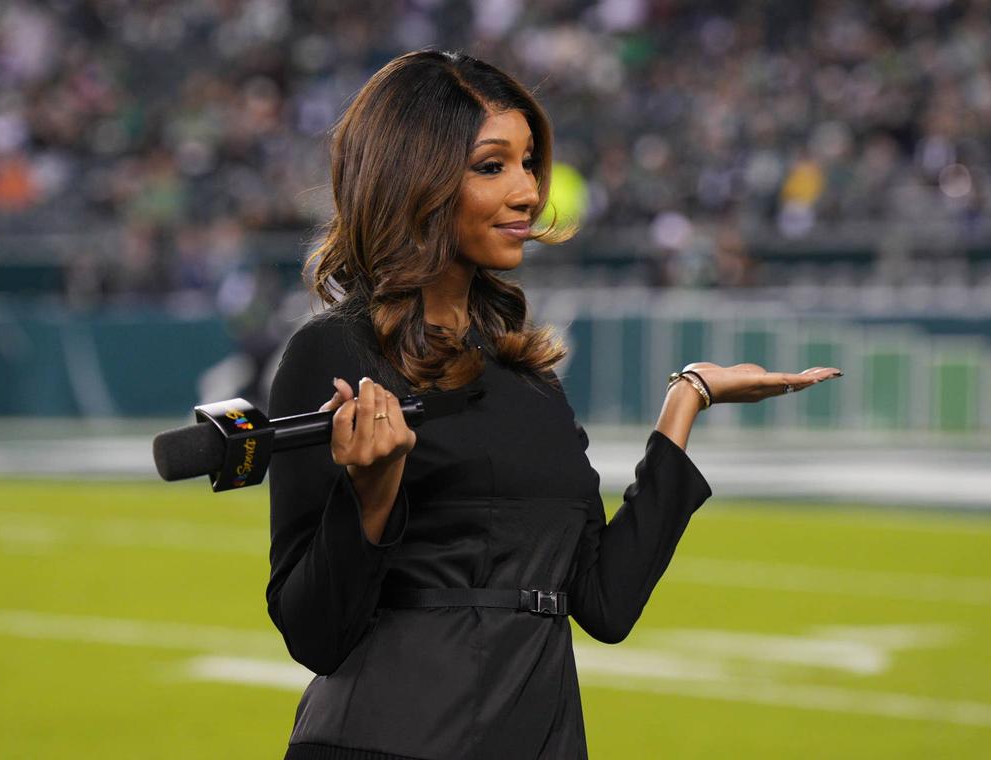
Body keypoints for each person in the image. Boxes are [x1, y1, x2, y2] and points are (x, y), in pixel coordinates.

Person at [266, 50, 841, 760]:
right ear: (414, 177)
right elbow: (313, 634)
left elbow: (605, 602)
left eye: (530, 163)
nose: (529, 192)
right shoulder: (333, 352)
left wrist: (686, 399)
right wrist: (372, 494)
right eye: (492, 166)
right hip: (387, 741)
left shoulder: (525, 372)